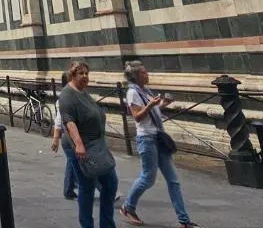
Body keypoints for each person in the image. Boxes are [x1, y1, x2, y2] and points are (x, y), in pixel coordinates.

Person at [120, 61, 202, 228]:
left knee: (173, 181)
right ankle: (128, 207)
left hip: (158, 137)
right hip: (147, 139)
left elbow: (153, 112)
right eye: (143, 72)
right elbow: (137, 116)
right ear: (136, 76)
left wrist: (163, 104)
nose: (147, 74)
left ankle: (184, 221)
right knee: (147, 179)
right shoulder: (132, 93)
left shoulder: (146, 91)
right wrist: (150, 105)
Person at [58, 60, 117, 228]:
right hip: (80, 147)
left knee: (110, 184)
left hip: (96, 145)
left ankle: (107, 223)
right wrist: (79, 144)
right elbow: (69, 122)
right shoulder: (67, 95)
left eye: (86, 73)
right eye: (81, 73)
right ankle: (87, 224)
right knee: (86, 187)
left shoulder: (83, 92)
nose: (85, 76)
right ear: (72, 75)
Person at [50, 68, 79, 201]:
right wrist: (55, 138)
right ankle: (106, 190)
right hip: (70, 137)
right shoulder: (64, 99)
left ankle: (69, 189)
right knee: (79, 164)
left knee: (72, 162)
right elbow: (59, 120)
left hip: (73, 137)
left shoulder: (76, 96)